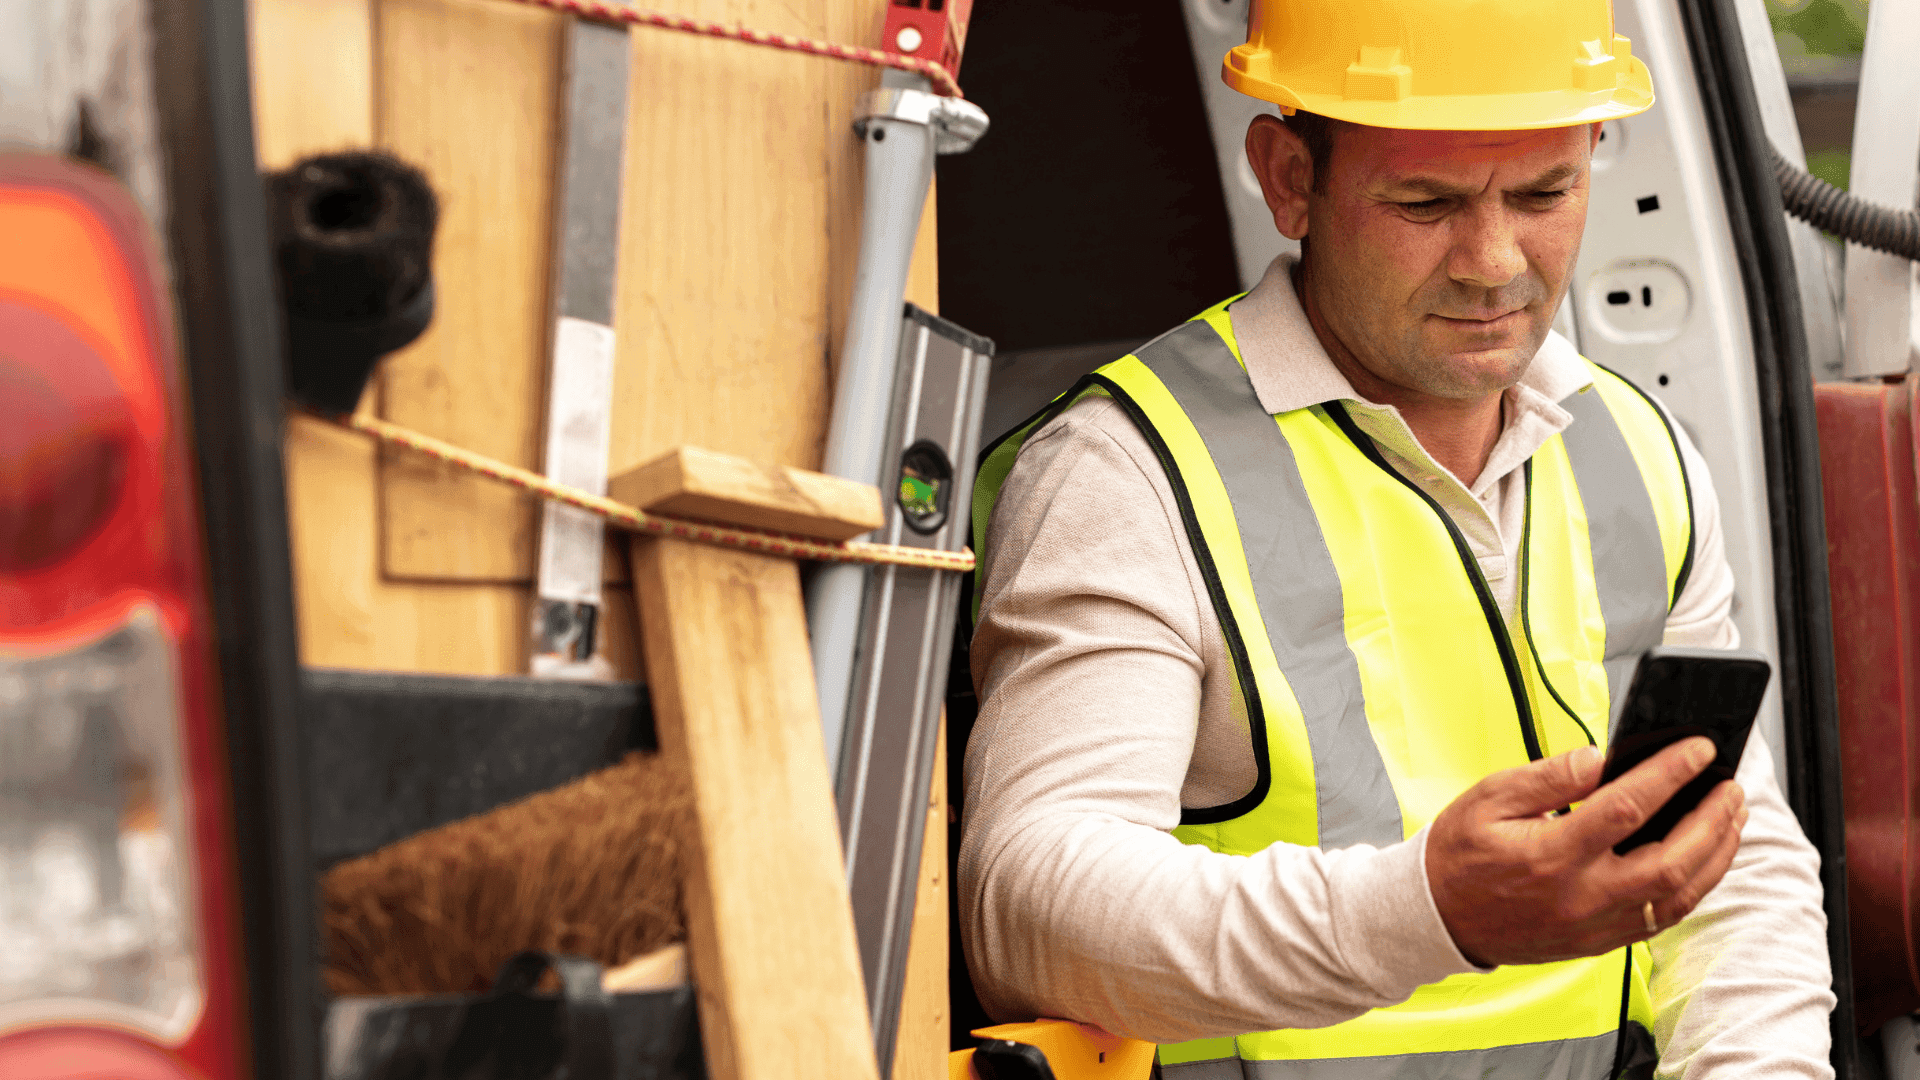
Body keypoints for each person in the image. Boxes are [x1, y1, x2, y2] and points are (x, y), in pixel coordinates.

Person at [958, 1, 1835, 1076]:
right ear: (1288, 178)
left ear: (1596, 152)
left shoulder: (1640, 449)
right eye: (1427, 202)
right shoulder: (1128, 473)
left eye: (1546, 191)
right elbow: (1029, 909)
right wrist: (1429, 912)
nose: (1493, 260)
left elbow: (1732, 862)